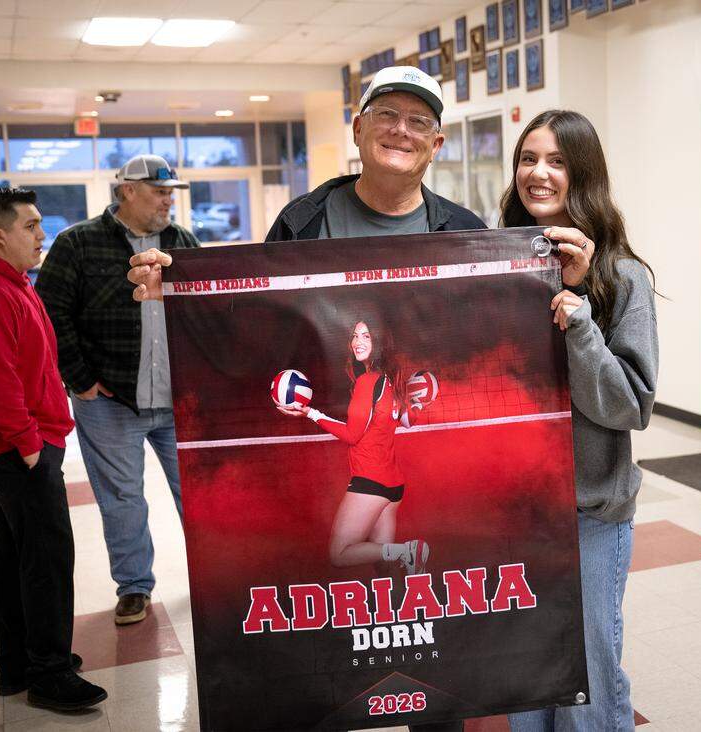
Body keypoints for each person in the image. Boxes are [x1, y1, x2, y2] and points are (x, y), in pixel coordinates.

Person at [128, 67, 483, 732]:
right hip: (321, 472)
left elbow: (483, 343)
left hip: (429, 467)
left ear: (436, 144)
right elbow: (254, 324)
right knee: (330, 647)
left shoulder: (462, 228)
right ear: (358, 128)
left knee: (435, 651)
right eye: (386, 115)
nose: (400, 131)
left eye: (417, 121)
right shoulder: (303, 221)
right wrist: (175, 291)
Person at [500, 110, 658, 731]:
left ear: (583, 175)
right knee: (524, 675)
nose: (539, 173)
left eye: (558, 161)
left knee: (588, 680)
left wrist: (582, 321)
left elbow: (630, 407)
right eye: (529, 158)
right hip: (512, 512)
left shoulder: (622, 278)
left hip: (589, 512)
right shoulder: (496, 265)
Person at [0, 187, 107, 711]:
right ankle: (49, 672)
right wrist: (29, 445)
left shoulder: (7, 281)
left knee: (16, 549)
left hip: (20, 439)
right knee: (47, 555)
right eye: (31, 227)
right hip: (17, 444)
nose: (42, 236)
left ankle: (17, 662)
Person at [36, 154, 199, 626]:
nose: (169, 199)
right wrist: (80, 378)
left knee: (198, 493)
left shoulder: (182, 242)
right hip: (110, 402)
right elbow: (51, 315)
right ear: (127, 191)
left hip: (175, 398)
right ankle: (133, 587)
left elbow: (200, 312)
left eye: (172, 192)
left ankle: (215, 577)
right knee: (122, 499)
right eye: (159, 191)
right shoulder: (78, 245)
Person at [276, 319, 430, 573]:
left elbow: (351, 436)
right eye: (355, 336)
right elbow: (406, 420)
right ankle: (396, 594)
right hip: (393, 487)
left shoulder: (368, 381)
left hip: (371, 481)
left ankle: (407, 551)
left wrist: (310, 413)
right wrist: (419, 404)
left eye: (367, 336)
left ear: (378, 341)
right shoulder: (390, 379)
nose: (358, 342)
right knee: (384, 566)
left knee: (339, 553)